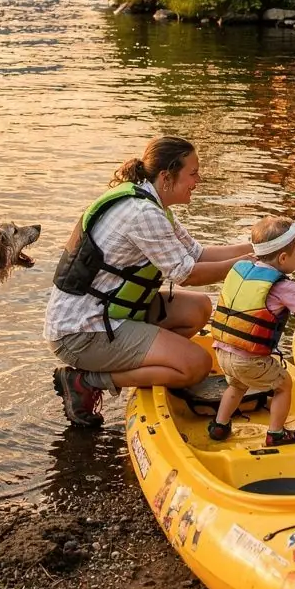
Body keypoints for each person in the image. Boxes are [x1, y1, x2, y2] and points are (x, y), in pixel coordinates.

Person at [45, 136, 253, 427]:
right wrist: (248, 266)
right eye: (193, 173)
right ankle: (87, 381)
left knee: (198, 309)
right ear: (167, 177)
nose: (198, 180)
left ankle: (163, 363)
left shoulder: (153, 204)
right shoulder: (143, 213)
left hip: (106, 314)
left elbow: (198, 253)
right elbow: (188, 274)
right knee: (198, 365)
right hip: (81, 332)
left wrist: (260, 247)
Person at [208, 215, 295, 445]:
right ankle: (276, 433)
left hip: (223, 353)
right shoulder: (283, 285)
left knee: (237, 385)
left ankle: (219, 426)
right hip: (249, 359)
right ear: (283, 257)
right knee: (283, 385)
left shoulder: (241, 268)